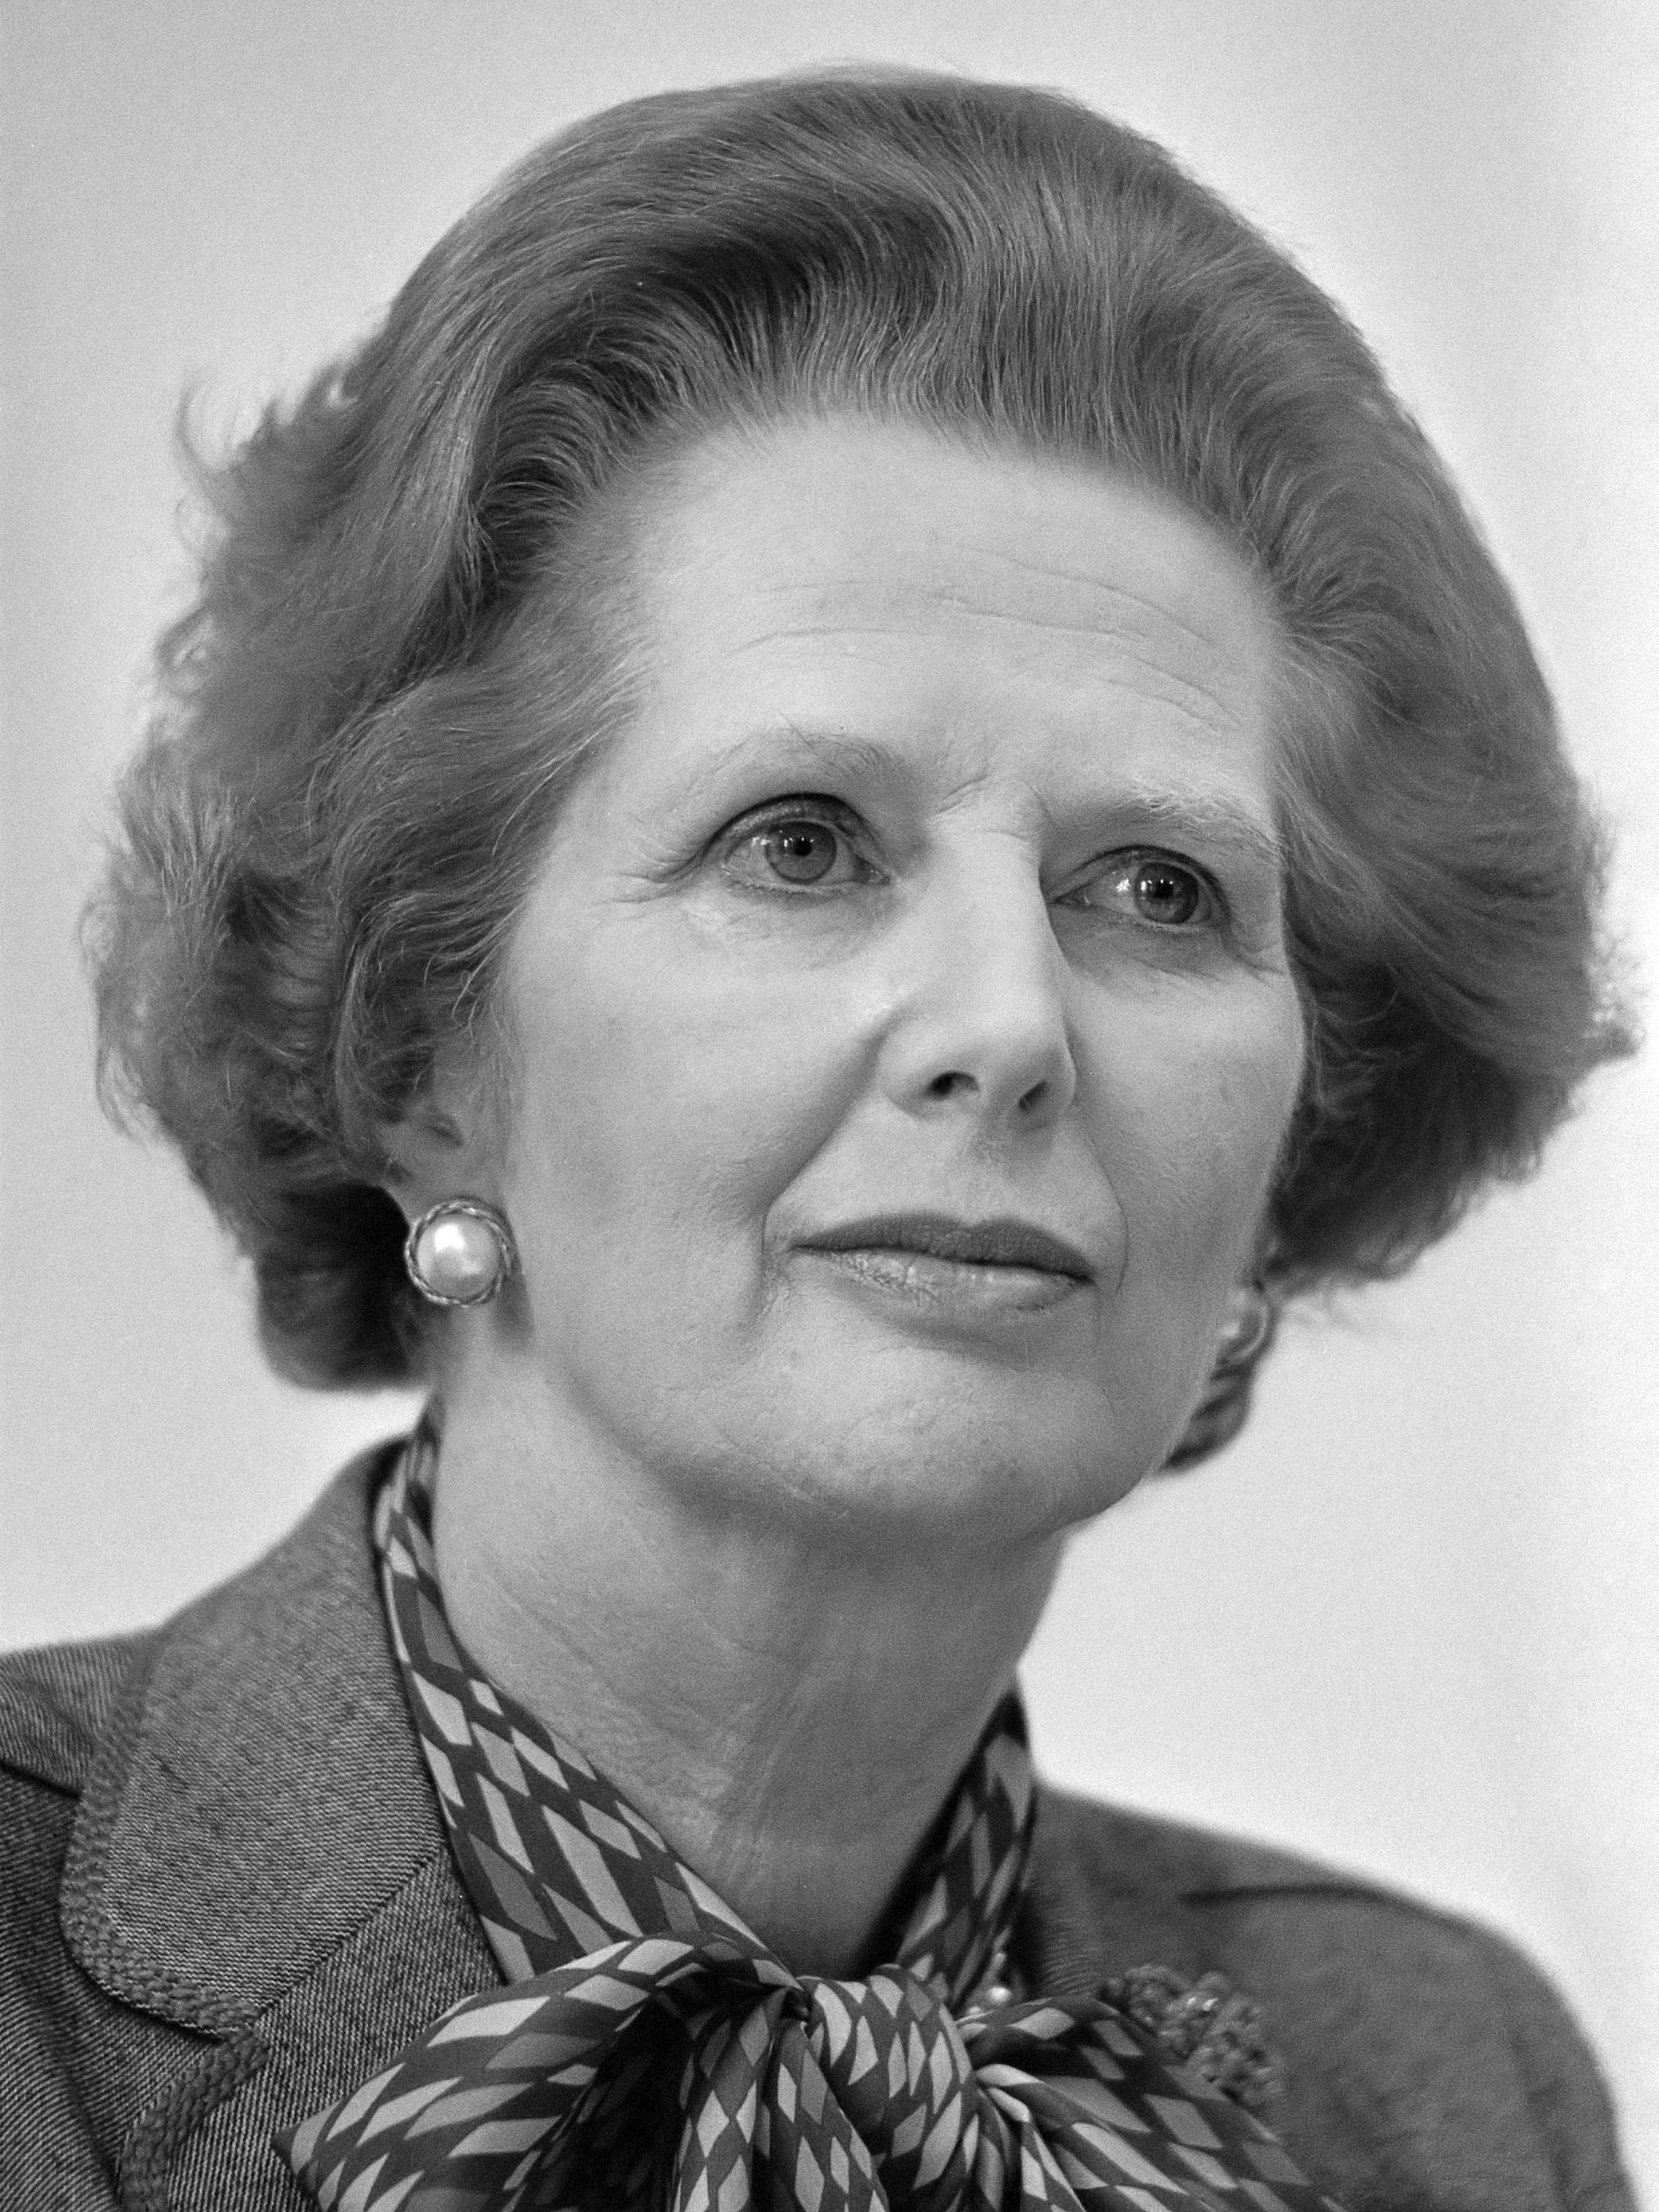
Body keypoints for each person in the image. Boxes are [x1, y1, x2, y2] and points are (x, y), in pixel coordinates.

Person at [0, 67, 1637, 2212]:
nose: (1004, 1026)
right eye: (801, 844)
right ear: (416, 1045)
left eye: (1156, 886)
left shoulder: (1445, 2088)